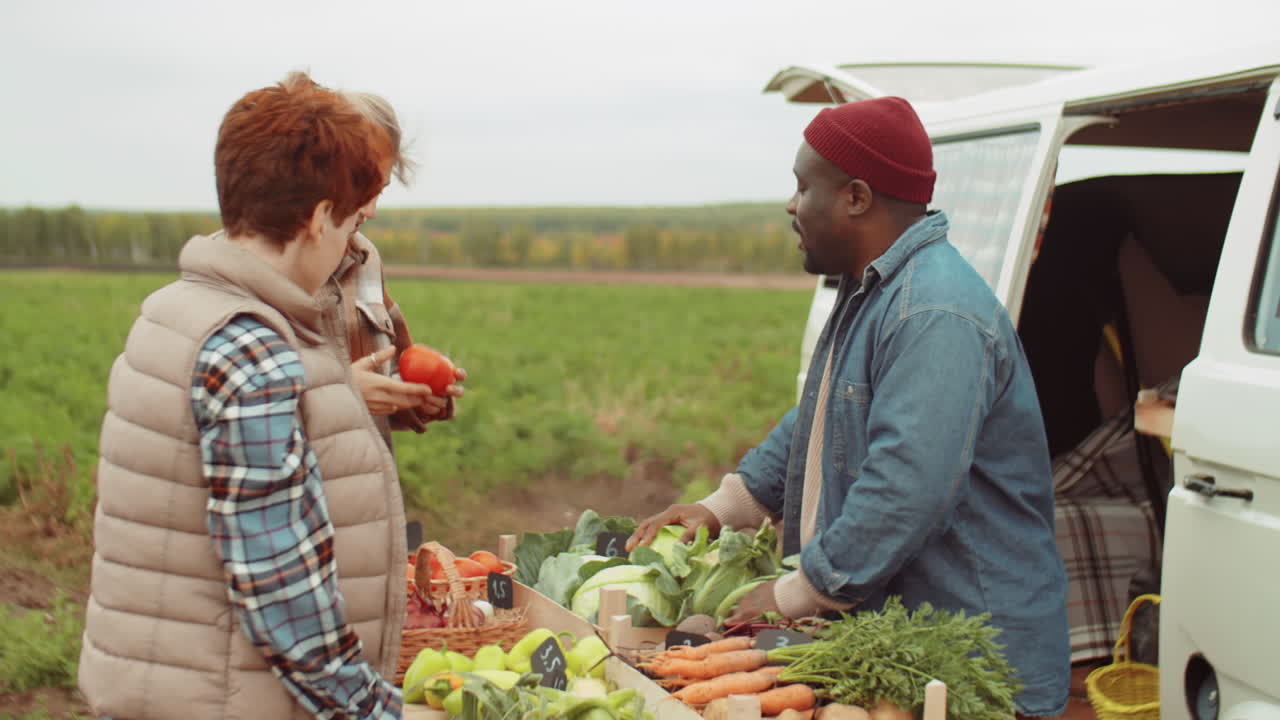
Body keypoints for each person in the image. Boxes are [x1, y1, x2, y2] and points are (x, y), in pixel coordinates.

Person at [628, 97, 1070, 717]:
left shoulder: (933, 313)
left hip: (973, 664)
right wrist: (725, 505)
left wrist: (796, 591)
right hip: (910, 651)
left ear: (856, 197)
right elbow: (819, 420)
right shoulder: (875, 291)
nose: (791, 204)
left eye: (803, 186)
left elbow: (905, 490)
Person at [79, 72, 409, 719]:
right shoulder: (252, 351)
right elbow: (279, 588)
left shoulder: (173, 310)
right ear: (317, 220)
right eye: (348, 227)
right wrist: (370, 709)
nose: (349, 247)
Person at [333, 90, 466, 449]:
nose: (372, 209)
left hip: (369, 484)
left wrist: (421, 399)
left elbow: (390, 374)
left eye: (381, 189)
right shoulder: (268, 269)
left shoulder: (366, 260)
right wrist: (343, 394)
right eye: (362, 186)